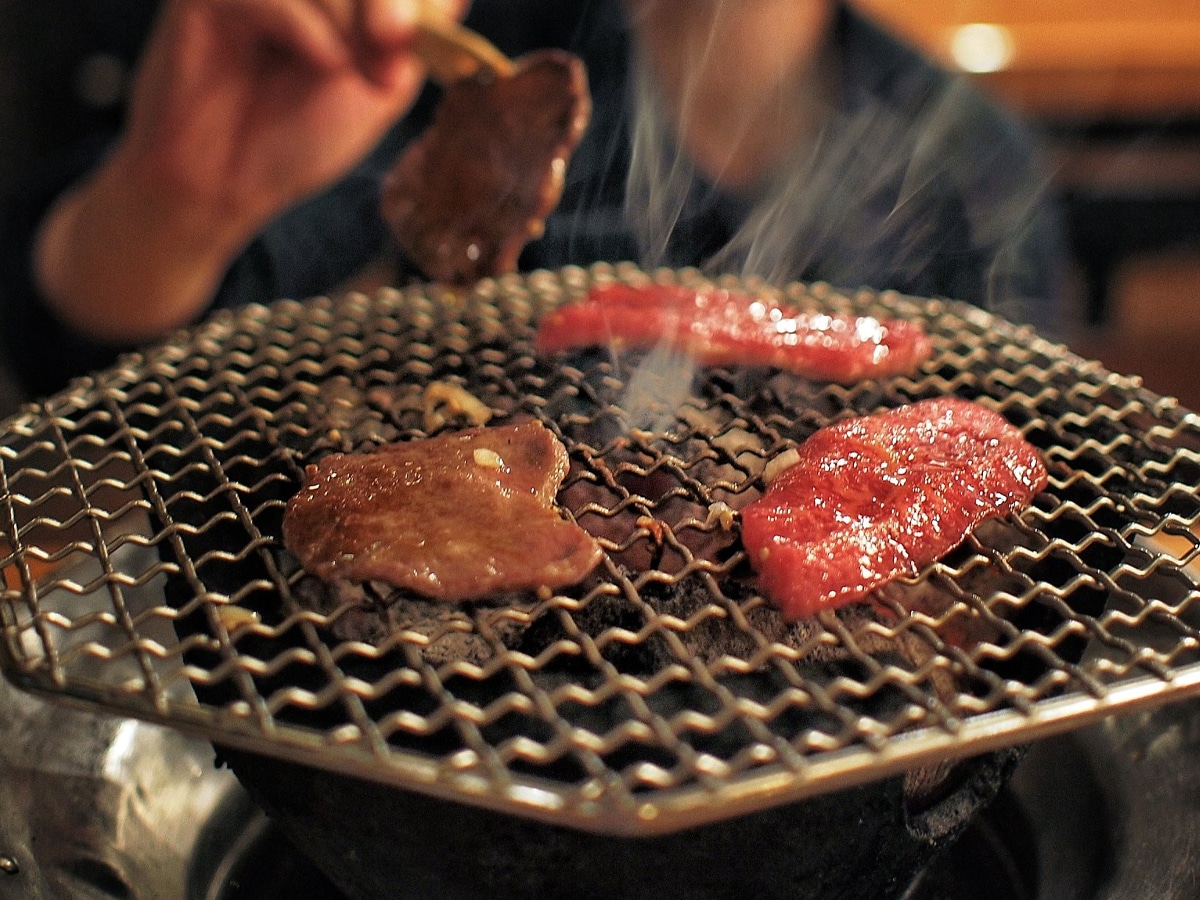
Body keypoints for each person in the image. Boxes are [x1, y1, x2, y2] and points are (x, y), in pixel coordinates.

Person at [0, 0, 1066, 400]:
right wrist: (177, 200)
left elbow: (1015, 482)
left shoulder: (969, 161)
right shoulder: (467, 92)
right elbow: (96, 370)